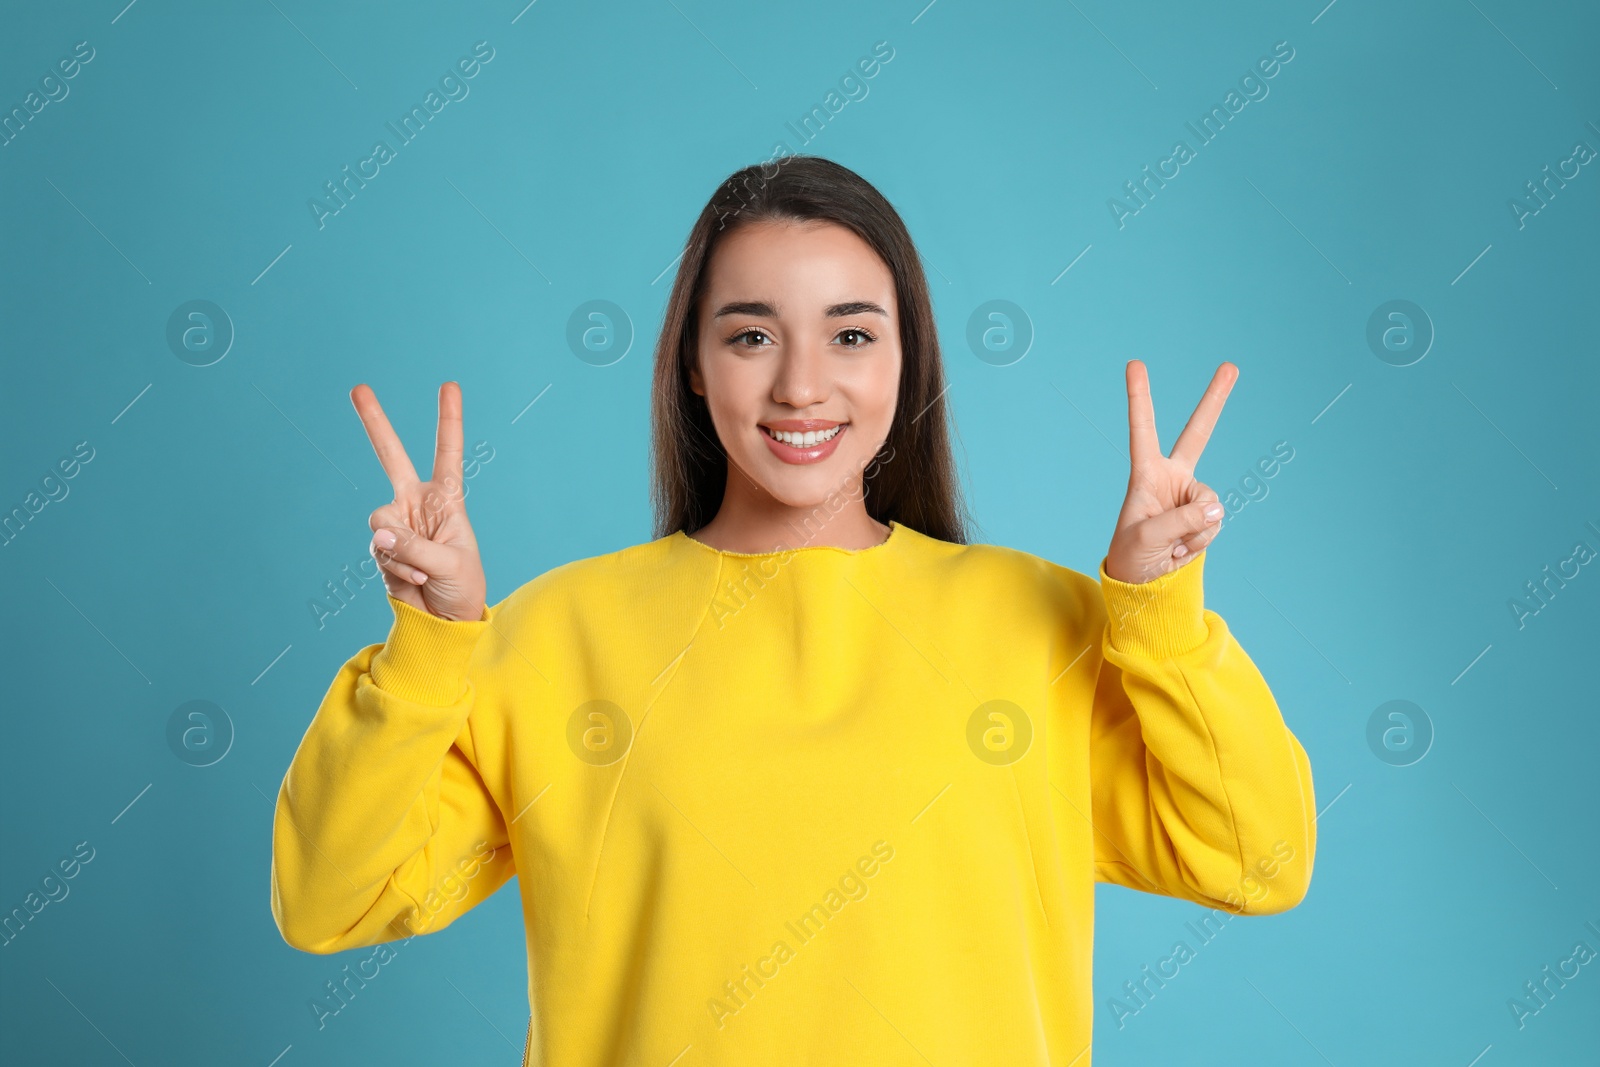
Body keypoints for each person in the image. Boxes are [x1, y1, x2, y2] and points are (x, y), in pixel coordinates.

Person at [270, 154, 1315, 1066]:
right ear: (692, 360)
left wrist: (1157, 616)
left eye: (852, 334)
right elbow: (329, 898)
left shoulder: (1043, 622)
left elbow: (1257, 856)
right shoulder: (548, 637)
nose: (802, 386)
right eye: (750, 335)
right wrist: (429, 642)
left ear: (907, 362)